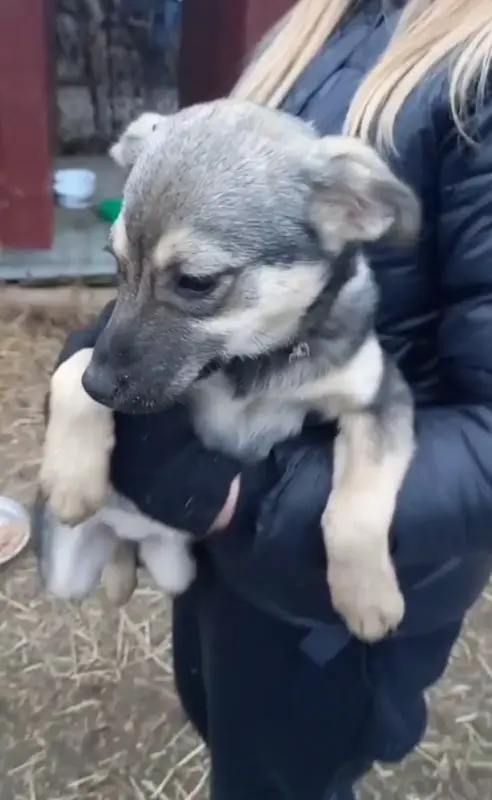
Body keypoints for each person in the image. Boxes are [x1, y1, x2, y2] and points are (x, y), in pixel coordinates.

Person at [46, 0, 492, 797]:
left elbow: (430, 417)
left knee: (285, 772)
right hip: (232, 571)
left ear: (360, 212)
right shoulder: (317, 22)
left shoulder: (472, 75)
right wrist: (82, 387)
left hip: (332, 605)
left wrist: (247, 503)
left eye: (194, 282)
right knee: (221, 712)